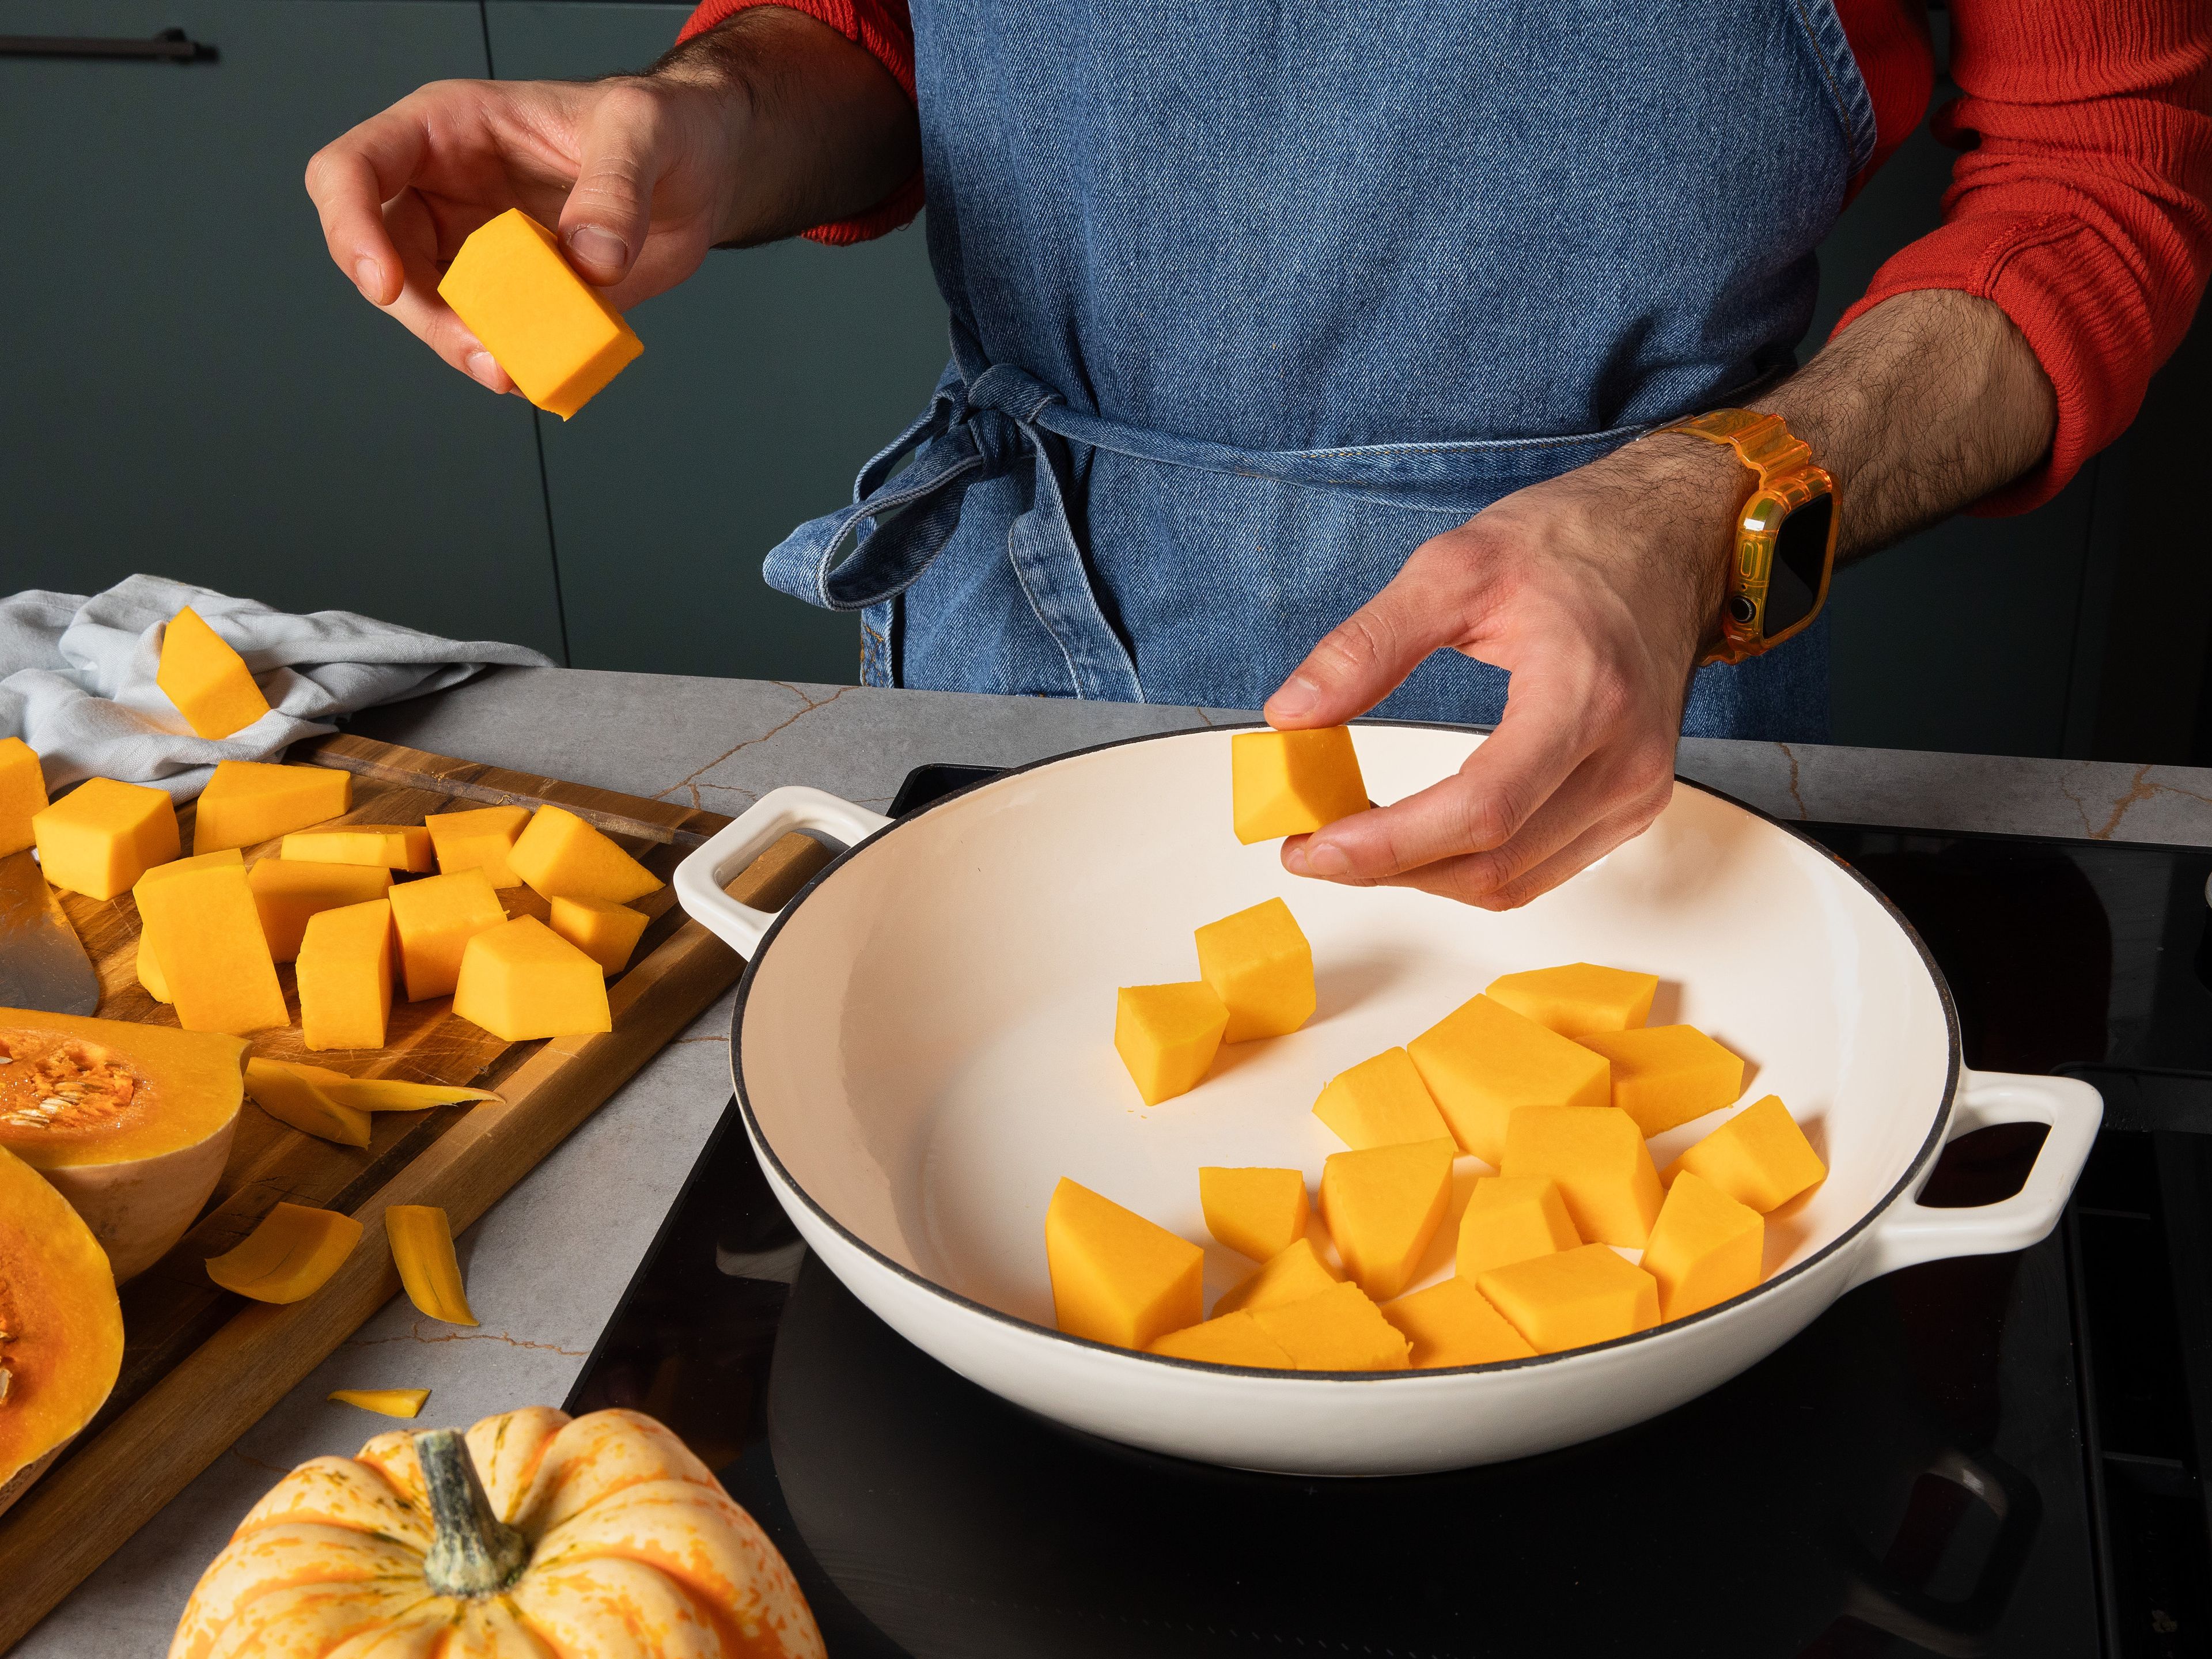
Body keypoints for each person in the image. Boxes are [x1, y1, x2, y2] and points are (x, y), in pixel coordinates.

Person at [308, 2, 2210, 907]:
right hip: (1015, 669)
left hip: (1614, 704)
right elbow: (874, 44)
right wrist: (710, 116)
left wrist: (1701, 507)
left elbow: (2100, 179)